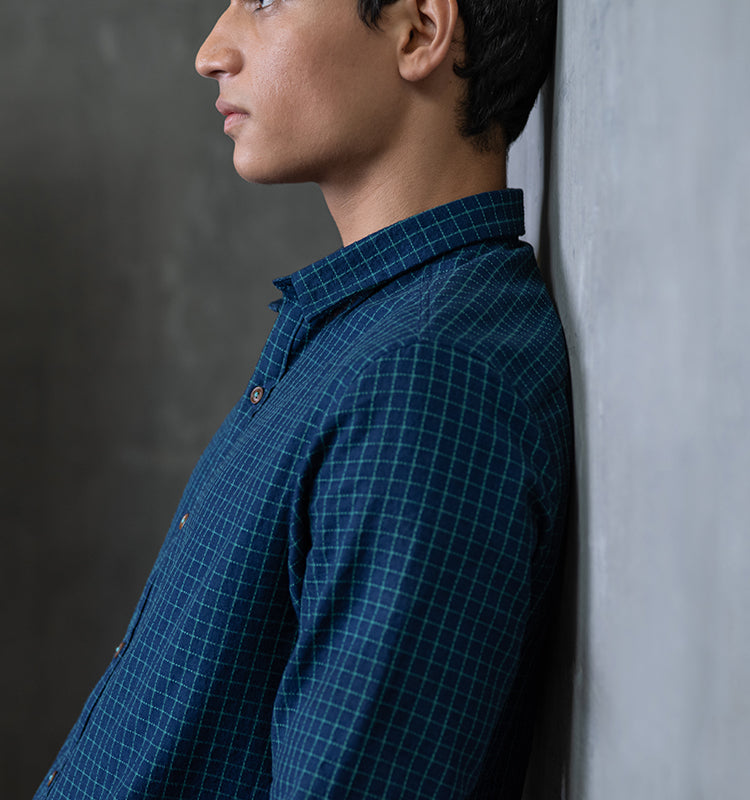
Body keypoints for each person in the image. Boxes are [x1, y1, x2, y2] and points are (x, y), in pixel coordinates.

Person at [35, 0, 570, 797]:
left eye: (264, 1)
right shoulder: (373, 332)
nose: (211, 52)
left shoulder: (426, 383)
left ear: (420, 31)